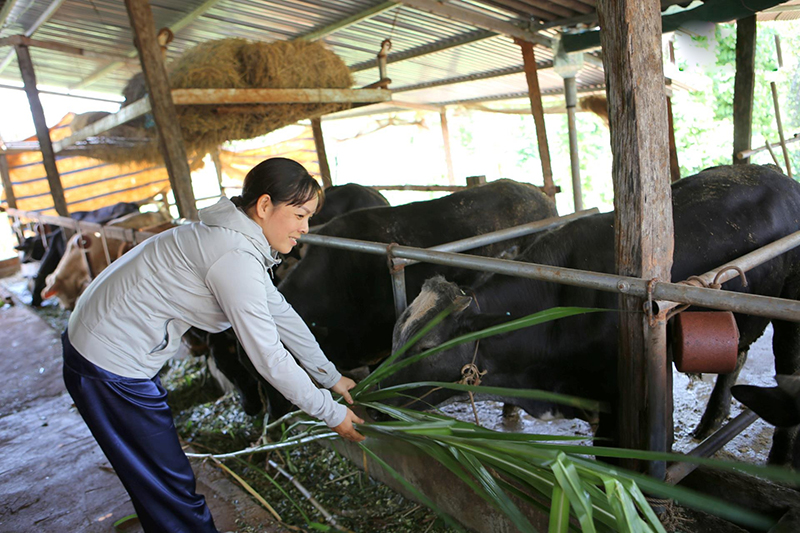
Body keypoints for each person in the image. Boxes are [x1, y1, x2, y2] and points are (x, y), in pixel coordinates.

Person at [62, 157, 365, 533]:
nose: (305, 228)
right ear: (265, 206)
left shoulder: (233, 238)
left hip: (111, 350)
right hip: (108, 364)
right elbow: (269, 358)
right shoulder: (233, 256)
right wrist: (331, 414)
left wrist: (331, 376)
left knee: (159, 476)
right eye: (300, 215)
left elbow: (281, 313)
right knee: (169, 485)